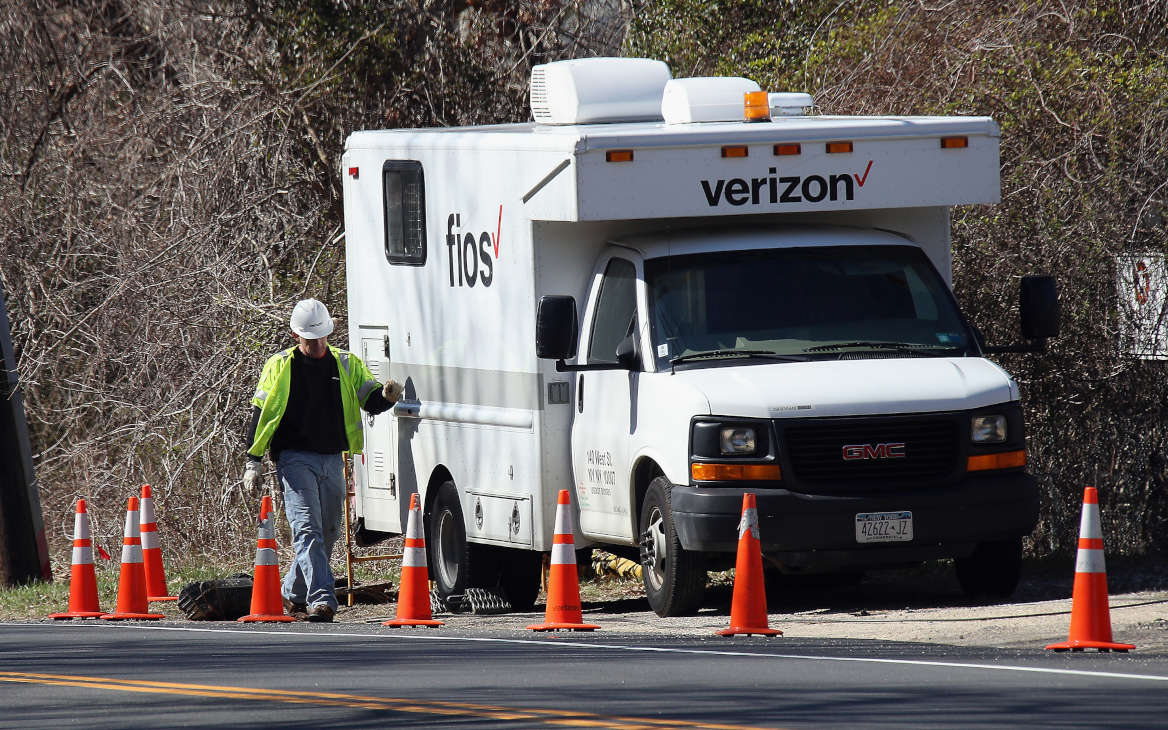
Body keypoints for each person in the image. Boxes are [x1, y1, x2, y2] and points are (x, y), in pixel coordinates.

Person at [243, 298, 401, 622]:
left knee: (328, 532)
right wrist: (253, 461)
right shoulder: (280, 366)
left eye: (321, 337)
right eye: (309, 338)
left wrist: (387, 397)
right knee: (307, 530)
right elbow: (260, 414)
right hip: (295, 459)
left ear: (330, 331)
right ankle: (322, 601)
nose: (316, 344)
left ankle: (292, 592)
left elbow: (370, 400)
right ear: (294, 335)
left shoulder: (345, 363)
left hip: (332, 459)